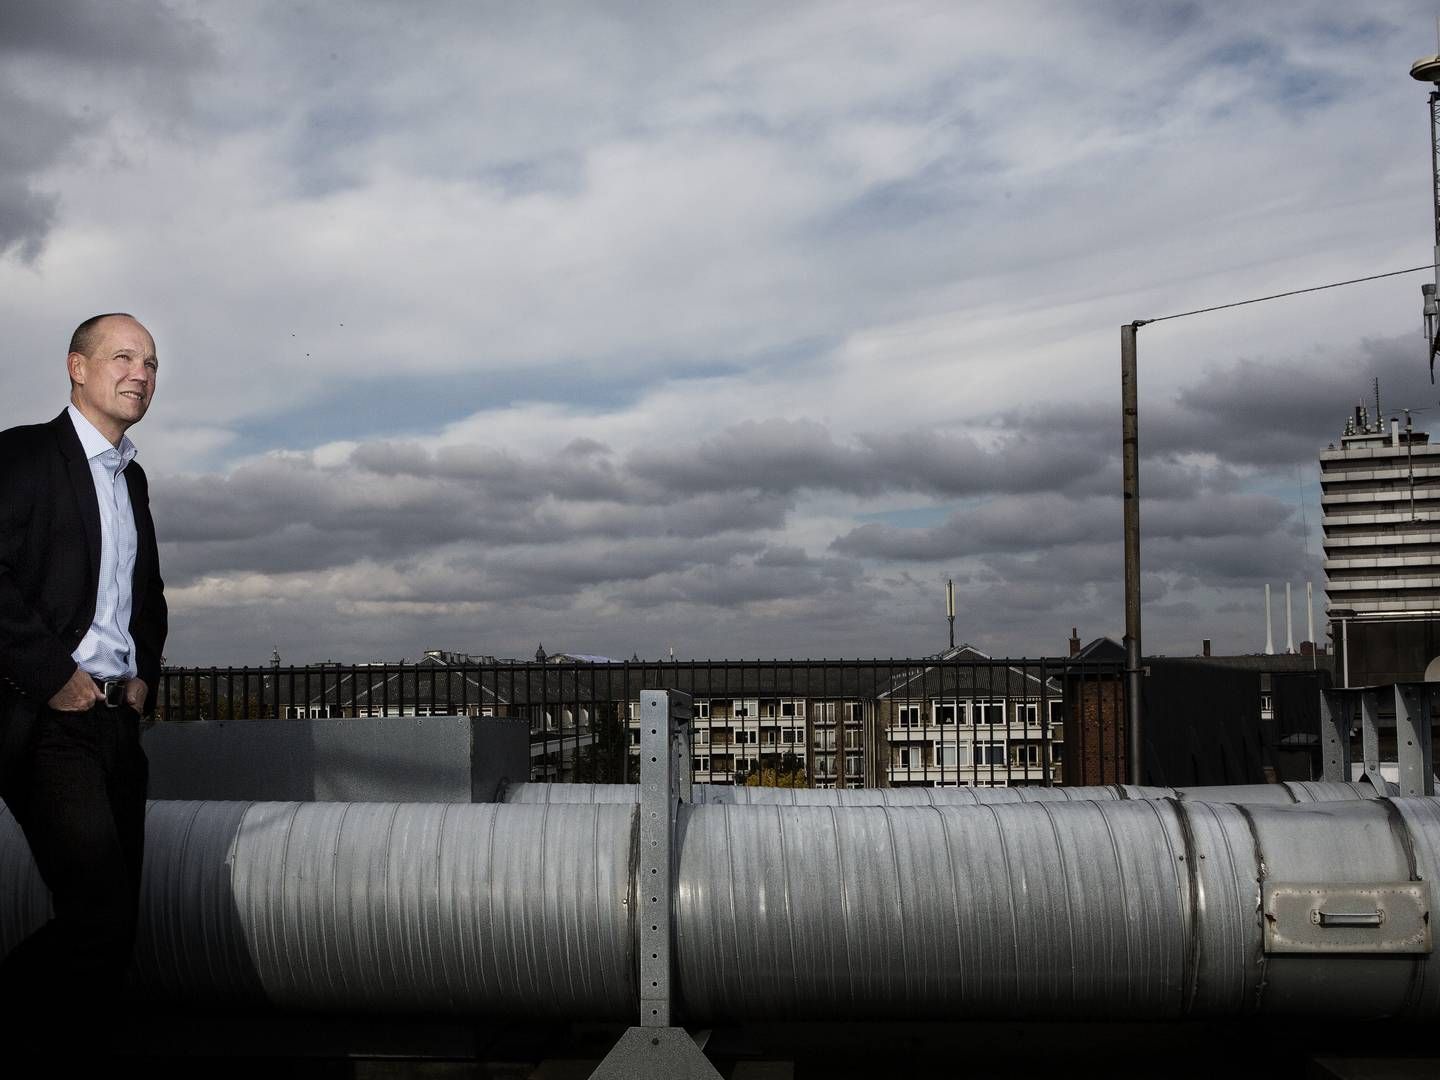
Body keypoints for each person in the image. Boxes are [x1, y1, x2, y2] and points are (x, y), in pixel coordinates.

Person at [0, 313, 168, 1036]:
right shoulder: (25, 456)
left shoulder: (132, 479)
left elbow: (148, 595)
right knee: (98, 918)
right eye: (123, 357)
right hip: (48, 723)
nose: (141, 374)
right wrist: (53, 675)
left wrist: (142, 678)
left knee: (115, 929)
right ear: (77, 367)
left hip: (114, 727)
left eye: (152, 363)